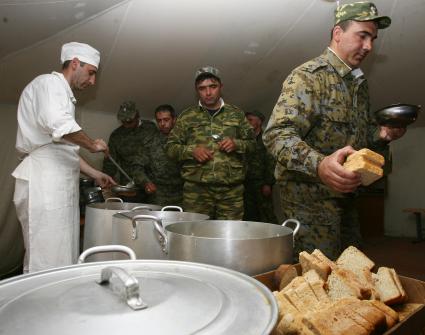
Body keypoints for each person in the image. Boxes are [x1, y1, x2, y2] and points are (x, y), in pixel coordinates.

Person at [263, 2, 406, 259]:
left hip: (347, 199)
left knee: (350, 271)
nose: (369, 46)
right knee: (316, 279)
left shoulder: (358, 85)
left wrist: (381, 136)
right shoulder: (309, 76)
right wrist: (320, 164)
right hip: (309, 203)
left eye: (372, 38)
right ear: (338, 33)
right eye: (362, 36)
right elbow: (276, 135)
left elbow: (358, 136)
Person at [12, 42, 116, 273]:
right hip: (44, 181)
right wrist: (92, 144)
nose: (92, 82)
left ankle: (57, 301)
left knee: (61, 250)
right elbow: (61, 128)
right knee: (47, 253)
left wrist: (95, 173)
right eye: (91, 73)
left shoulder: (64, 97)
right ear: (75, 63)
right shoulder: (49, 84)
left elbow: (63, 148)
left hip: (55, 179)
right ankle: (44, 305)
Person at [166, 66, 255, 219]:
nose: (208, 93)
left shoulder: (236, 114)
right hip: (196, 191)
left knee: (229, 235)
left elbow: (253, 145)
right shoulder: (187, 116)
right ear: (197, 91)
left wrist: (237, 144)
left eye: (212, 87)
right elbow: (170, 148)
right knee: (195, 234)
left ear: (221, 87)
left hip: (230, 191)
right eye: (202, 88)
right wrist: (192, 151)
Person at [102, 101, 158, 203]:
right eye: (123, 122)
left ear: (137, 116)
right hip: (130, 187)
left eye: (129, 122)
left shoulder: (151, 128)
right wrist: (105, 180)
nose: (126, 125)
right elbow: (110, 162)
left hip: (153, 183)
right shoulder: (116, 136)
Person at [133, 104, 183, 206]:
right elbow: (136, 167)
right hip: (158, 195)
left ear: (174, 119)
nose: (162, 124)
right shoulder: (149, 142)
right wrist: (146, 182)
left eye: (166, 120)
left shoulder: (185, 139)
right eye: (159, 120)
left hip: (183, 193)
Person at [244, 110, 278, 224]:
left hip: (261, 183)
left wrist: (268, 183)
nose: (246, 122)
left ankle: (275, 238)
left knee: (267, 213)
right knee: (249, 214)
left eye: (250, 120)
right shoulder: (245, 139)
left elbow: (271, 162)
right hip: (246, 182)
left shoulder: (266, 139)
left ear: (258, 122)